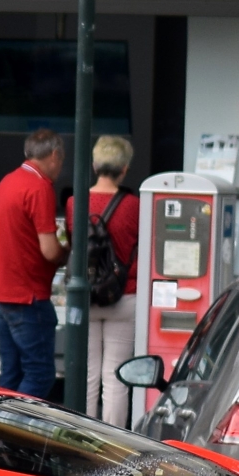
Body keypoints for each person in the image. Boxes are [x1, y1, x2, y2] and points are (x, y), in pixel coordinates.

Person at [0, 128, 68, 400]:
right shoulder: (40, 187)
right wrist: (69, 251)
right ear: (55, 155)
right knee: (40, 373)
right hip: (27, 295)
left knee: (10, 373)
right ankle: (16, 431)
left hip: (0, 292)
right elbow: (49, 251)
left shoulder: (6, 182)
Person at [73, 135, 142, 427]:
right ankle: (112, 441)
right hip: (123, 295)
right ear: (124, 169)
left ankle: (83, 437)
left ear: (94, 165)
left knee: (87, 376)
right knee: (116, 378)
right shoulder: (134, 205)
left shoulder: (74, 202)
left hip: (86, 296)